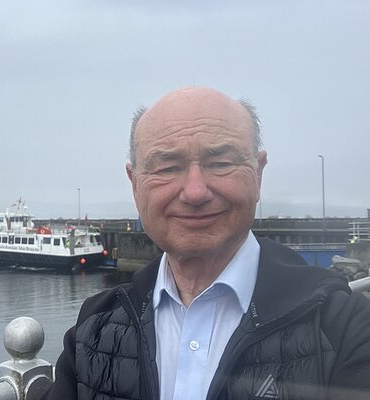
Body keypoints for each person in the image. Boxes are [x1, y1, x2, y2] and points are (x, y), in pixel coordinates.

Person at [43, 86, 370, 400]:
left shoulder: (343, 326)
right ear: (134, 183)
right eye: (168, 167)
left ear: (258, 173)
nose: (196, 191)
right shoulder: (94, 329)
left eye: (221, 163)